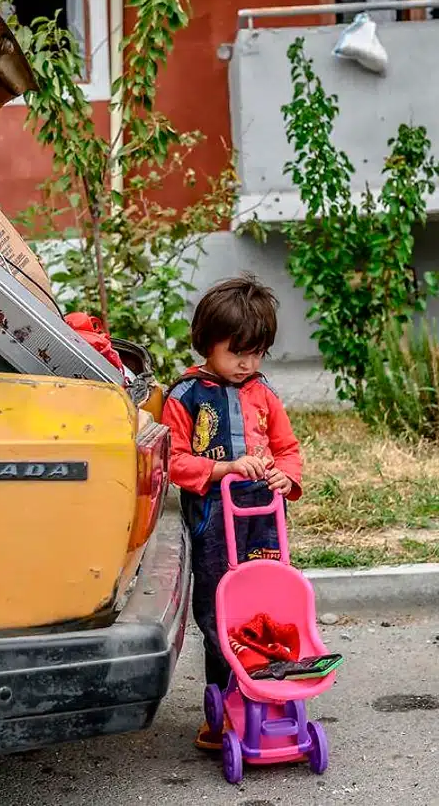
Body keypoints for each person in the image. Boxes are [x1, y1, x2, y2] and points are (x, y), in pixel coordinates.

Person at [163, 276, 304, 751]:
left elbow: (287, 448)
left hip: (264, 518)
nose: (247, 363)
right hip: (213, 522)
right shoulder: (186, 395)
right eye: (236, 352)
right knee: (219, 610)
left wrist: (286, 476)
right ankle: (222, 705)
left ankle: (269, 693)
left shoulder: (263, 392)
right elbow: (173, 460)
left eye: (257, 352)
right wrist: (222, 467)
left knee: (267, 604)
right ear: (207, 342)